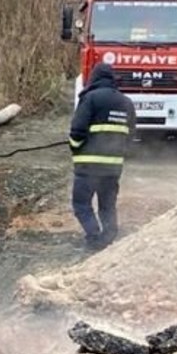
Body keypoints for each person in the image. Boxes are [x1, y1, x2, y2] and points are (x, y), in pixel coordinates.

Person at [68, 62, 136, 250]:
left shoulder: (90, 98)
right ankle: (109, 238)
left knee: (81, 204)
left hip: (87, 167)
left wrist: (75, 149)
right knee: (107, 205)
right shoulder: (126, 102)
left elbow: (77, 130)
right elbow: (130, 137)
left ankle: (94, 237)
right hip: (113, 168)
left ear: (94, 78)